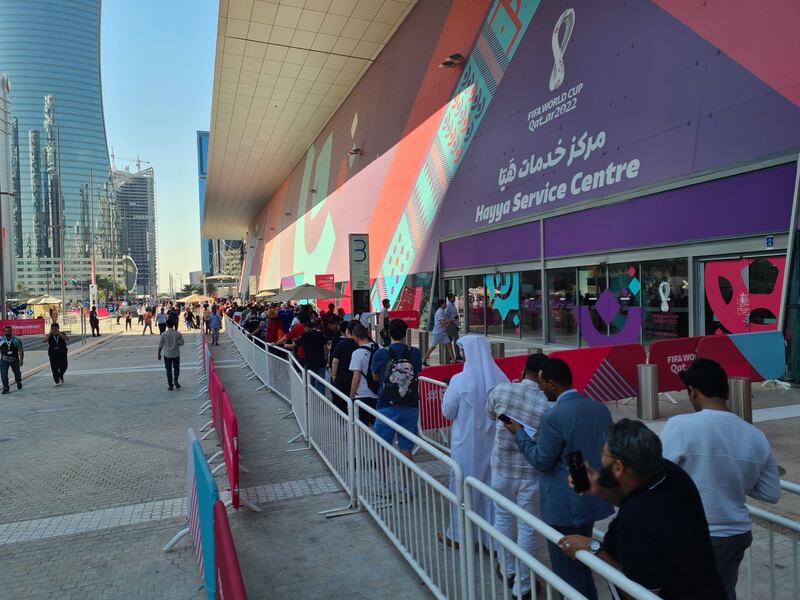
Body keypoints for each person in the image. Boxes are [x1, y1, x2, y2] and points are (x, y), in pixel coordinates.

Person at [559, 419, 726, 599]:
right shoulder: (668, 472)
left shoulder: (636, 522)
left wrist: (594, 549)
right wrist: (600, 486)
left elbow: (640, 593)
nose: (600, 459)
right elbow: (633, 495)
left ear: (618, 467)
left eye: (603, 455)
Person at [661, 359, 780, 599]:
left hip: (696, 536)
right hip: (737, 535)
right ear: (725, 391)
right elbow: (770, 493)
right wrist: (736, 476)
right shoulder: (755, 435)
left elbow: (657, 476)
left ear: (693, 391)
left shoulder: (680, 426)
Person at [504, 358, 613, 599]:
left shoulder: (554, 416)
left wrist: (520, 434)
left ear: (552, 384)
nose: (540, 389)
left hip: (563, 505)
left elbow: (542, 460)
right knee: (583, 563)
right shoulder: (599, 408)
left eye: (542, 384)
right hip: (590, 495)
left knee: (568, 572)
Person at [486, 352, 551, 596]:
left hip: (501, 469)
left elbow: (490, 413)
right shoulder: (547, 405)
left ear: (524, 369)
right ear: (544, 376)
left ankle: (507, 569)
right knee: (527, 527)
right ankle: (523, 586)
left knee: (502, 519)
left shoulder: (502, 390)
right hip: (530, 474)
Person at [441, 335, 508, 547]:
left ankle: (460, 535)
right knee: (491, 489)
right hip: (493, 443)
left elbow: (447, 411)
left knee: (463, 486)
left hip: (466, 444)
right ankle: (492, 540)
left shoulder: (460, 380)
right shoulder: (501, 378)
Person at [370, 318, 422, 461]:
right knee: (406, 448)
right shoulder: (415, 353)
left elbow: (375, 377)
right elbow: (417, 372)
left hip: (386, 405)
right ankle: (407, 483)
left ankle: (383, 482)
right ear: (405, 333)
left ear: (388, 333)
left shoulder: (380, 354)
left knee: (382, 447)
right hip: (411, 405)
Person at [348, 323, 379, 426]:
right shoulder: (379, 348)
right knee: (377, 427)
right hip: (378, 393)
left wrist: (351, 397)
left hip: (363, 394)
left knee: (362, 428)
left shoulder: (357, 353)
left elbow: (356, 378)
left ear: (356, 337)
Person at [293, 319, 329, 394]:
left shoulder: (305, 336)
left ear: (306, 327)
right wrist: (326, 359)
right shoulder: (320, 334)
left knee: (310, 383)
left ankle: (311, 400)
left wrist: (284, 345)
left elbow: (294, 345)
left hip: (310, 363)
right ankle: (321, 401)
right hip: (321, 362)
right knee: (321, 383)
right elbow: (325, 348)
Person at [330, 320, 357, 413]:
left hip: (342, 376)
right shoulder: (359, 344)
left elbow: (335, 361)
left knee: (342, 400)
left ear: (347, 331)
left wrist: (333, 375)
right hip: (356, 376)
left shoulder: (341, 344)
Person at [423, 299, 452, 366]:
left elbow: (443, 322)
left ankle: (452, 359)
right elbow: (442, 322)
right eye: (445, 303)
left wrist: (449, 322)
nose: (446, 305)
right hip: (438, 332)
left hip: (443, 332)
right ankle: (424, 359)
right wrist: (449, 322)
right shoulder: (439, 312)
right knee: (433, 346)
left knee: (449, 344)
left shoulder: (442, 311)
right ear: (441, 304)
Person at [158, 319, 185, 390]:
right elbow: (182, 343)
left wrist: (159, 354)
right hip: (176, 354)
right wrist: (176, 344)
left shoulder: (163, 334)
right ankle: (176, 379)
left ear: (167, 325)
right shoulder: (178, 333)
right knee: (176, 368)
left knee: (168, 370)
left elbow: (160, 345)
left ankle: (170, 385)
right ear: (173, 325)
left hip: (167, 355)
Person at [0, 325, 24, 394]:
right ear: (4, 332)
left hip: (14, 360)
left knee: (17, 373)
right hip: (4, 361)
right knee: (3, 374)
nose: (7, 332)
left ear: (12, 331)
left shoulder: (16, 340)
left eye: (9, 331)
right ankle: (6, 387)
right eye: (6, 331)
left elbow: (20, 350)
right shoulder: (1, 340)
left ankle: (18, 381)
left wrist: (21, 360)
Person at [445, 292, 462, 361]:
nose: (454, 298)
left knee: (449, 340)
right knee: (456, 339)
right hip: (450, 325)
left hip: (453, 325)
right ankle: (457, 355)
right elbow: (445, 315)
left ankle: (449, 355)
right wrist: (452, 320)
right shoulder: (449, 306)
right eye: (453, 297)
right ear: (449, 298)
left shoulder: (453, 305)